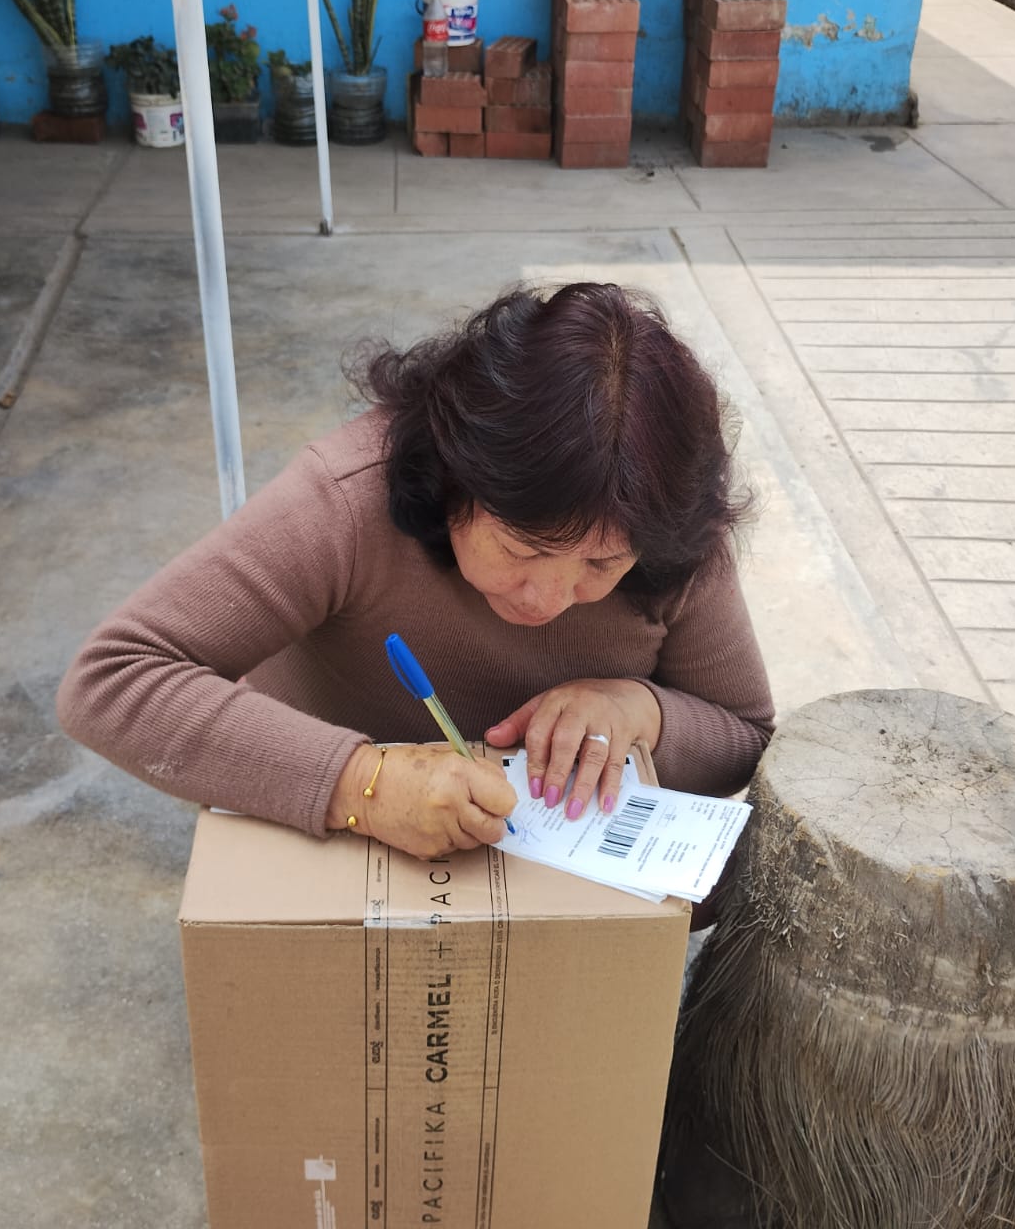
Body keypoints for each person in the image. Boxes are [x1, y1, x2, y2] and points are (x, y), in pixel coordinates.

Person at [57, 282, 774, 864]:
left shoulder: (669, 521)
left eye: (602, 564)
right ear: (454, 478)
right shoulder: (347, 498)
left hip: (552, 872)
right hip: (331, 853)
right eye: (521, 549)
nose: (549, 598)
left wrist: (640, 710)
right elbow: (111, 679)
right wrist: (359, 785)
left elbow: (745, 738)